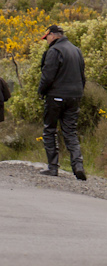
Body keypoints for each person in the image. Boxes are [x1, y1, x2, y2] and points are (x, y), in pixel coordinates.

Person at [39, 24, 86, 180]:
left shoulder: (54, 51)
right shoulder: (76, 50)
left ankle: (53, 167)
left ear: (52, 35)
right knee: (70, 131)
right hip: (75, 96)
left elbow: (47, 76)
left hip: (56, 96)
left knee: (50, 130)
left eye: (47, 38)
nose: (46, 41)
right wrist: (78, 93)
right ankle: (78, 166)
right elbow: (82, 76)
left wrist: (41, 92)